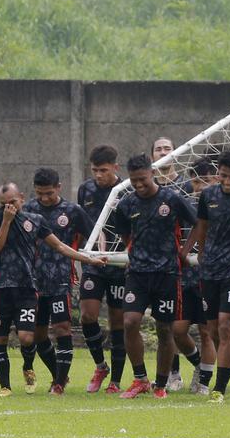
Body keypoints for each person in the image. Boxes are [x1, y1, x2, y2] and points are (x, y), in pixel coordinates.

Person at [0, 182, 105, 396]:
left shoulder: (35, 220)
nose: (9, 208)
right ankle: (5, 387)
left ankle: (30, 367)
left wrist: (89, 259)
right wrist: (6, 222)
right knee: (0, 337)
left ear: (21, 197)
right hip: (1, 287)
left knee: (27, 337)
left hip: (28, 288)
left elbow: (59, 245)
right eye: (4, 204)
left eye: (12, 202)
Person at [110, 155, 198, 399]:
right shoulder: (126, 205)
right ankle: (140, 379)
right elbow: (126, 236)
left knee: (164, 329)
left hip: (167, 273)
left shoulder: (171, 198)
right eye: (134, 180)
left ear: (152, 174)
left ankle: (160, 384)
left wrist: (185, 249)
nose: (138, 184)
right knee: (130, 322)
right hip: (137, 273)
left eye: (143, 179)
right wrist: (138, 253)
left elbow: (199, 223)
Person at [183, 149, 230, 403]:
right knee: (214, 330)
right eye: (223, 176)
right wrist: (202, 253)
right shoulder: (208, 195)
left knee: (227, 327)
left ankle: (219, 388)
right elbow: (202, 226)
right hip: (210, 270)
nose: (227, 182)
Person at [24, 168, 94, 393]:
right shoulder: (28, 210)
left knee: (62, 328)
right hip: (34, 282)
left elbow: (93, 233)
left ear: (59, 188)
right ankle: (58, 375)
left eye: (49, 193)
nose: (44, 198)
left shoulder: (72, 211)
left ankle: (59, 384)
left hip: (61, 280)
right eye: (40, 193)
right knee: (38, 334)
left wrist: (95, 255)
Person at [77, 144, 128, 392]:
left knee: (118, 321)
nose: (98, 175)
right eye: (95, 170)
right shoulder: (85, 189)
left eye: (104, 170)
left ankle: (116, 381)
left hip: (119, 263)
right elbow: (82, 223)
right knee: (88, 314)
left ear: (115, 168)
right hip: (93, 263)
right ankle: (100, 366)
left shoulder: (126, 191)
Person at [169, 156, 216, 393]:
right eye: (196, 181)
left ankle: (205, 382)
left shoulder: (221, 205)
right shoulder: (184, 203)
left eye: (206, 180)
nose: (201, 186)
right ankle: (198, 364)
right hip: (185, 278)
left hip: (212, 276)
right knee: (178, 330)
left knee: (207, 331)